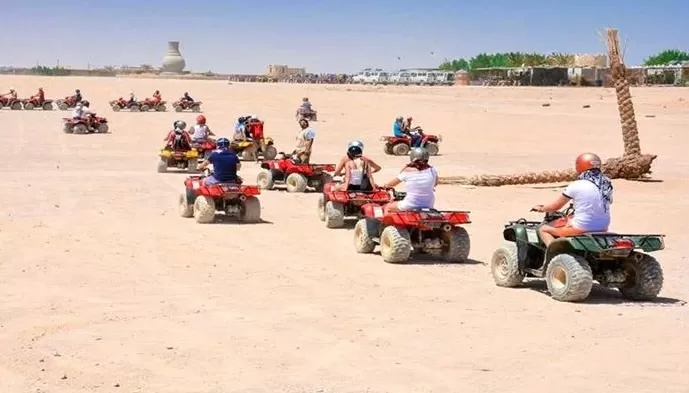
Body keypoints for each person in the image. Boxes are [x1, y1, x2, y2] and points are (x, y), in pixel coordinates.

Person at [532, 153, 613, 247]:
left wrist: (541, 208)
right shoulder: (606, 184)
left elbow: (555, 207)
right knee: (571, 218)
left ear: (579, 167)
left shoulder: (577, 185)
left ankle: (555, 254)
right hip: (603, 227)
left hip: (582, 227)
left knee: (544, 229)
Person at [382, 147, 438, 214]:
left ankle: (384, 223)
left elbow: (390, 185)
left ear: (412, 157)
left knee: (387, 207)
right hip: (429, 204)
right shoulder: (432, 170)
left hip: (410, 204)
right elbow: (435, 184)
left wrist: (385, 186)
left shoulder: (407, 171)